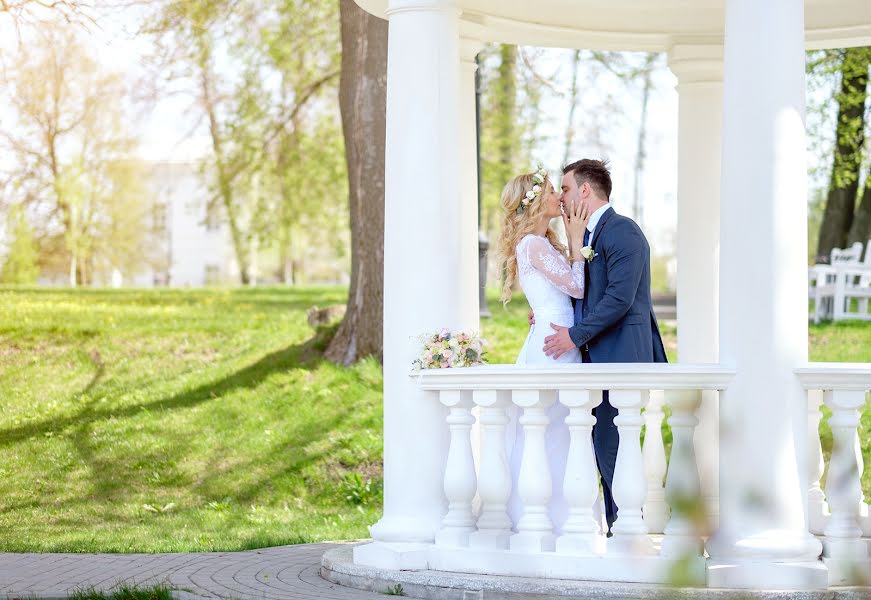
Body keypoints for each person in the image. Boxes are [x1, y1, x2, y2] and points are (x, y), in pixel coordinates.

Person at [540, 158, 668, 535]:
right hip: (596, 358)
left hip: (623, 355)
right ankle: (617, 525)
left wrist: (574, 336)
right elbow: (586, 292)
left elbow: (619, 299)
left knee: (613, 443)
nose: (561, 197)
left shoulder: (622, 231)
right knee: (600, 443)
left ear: (584, 190)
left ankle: (629, 527)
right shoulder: (588, 236)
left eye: (564, 188)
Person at [496, 166, 589, 534]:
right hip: (556, 343)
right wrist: (578, 238)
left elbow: (556, 293)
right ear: (535, 202)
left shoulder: (542, 243)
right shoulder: (533, 244)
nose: (559, 196)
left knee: (561, 429)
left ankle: (560, 516)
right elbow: (577, 288)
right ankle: (544, 519)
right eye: (552, 191)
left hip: (556, 332)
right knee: (552, 429)